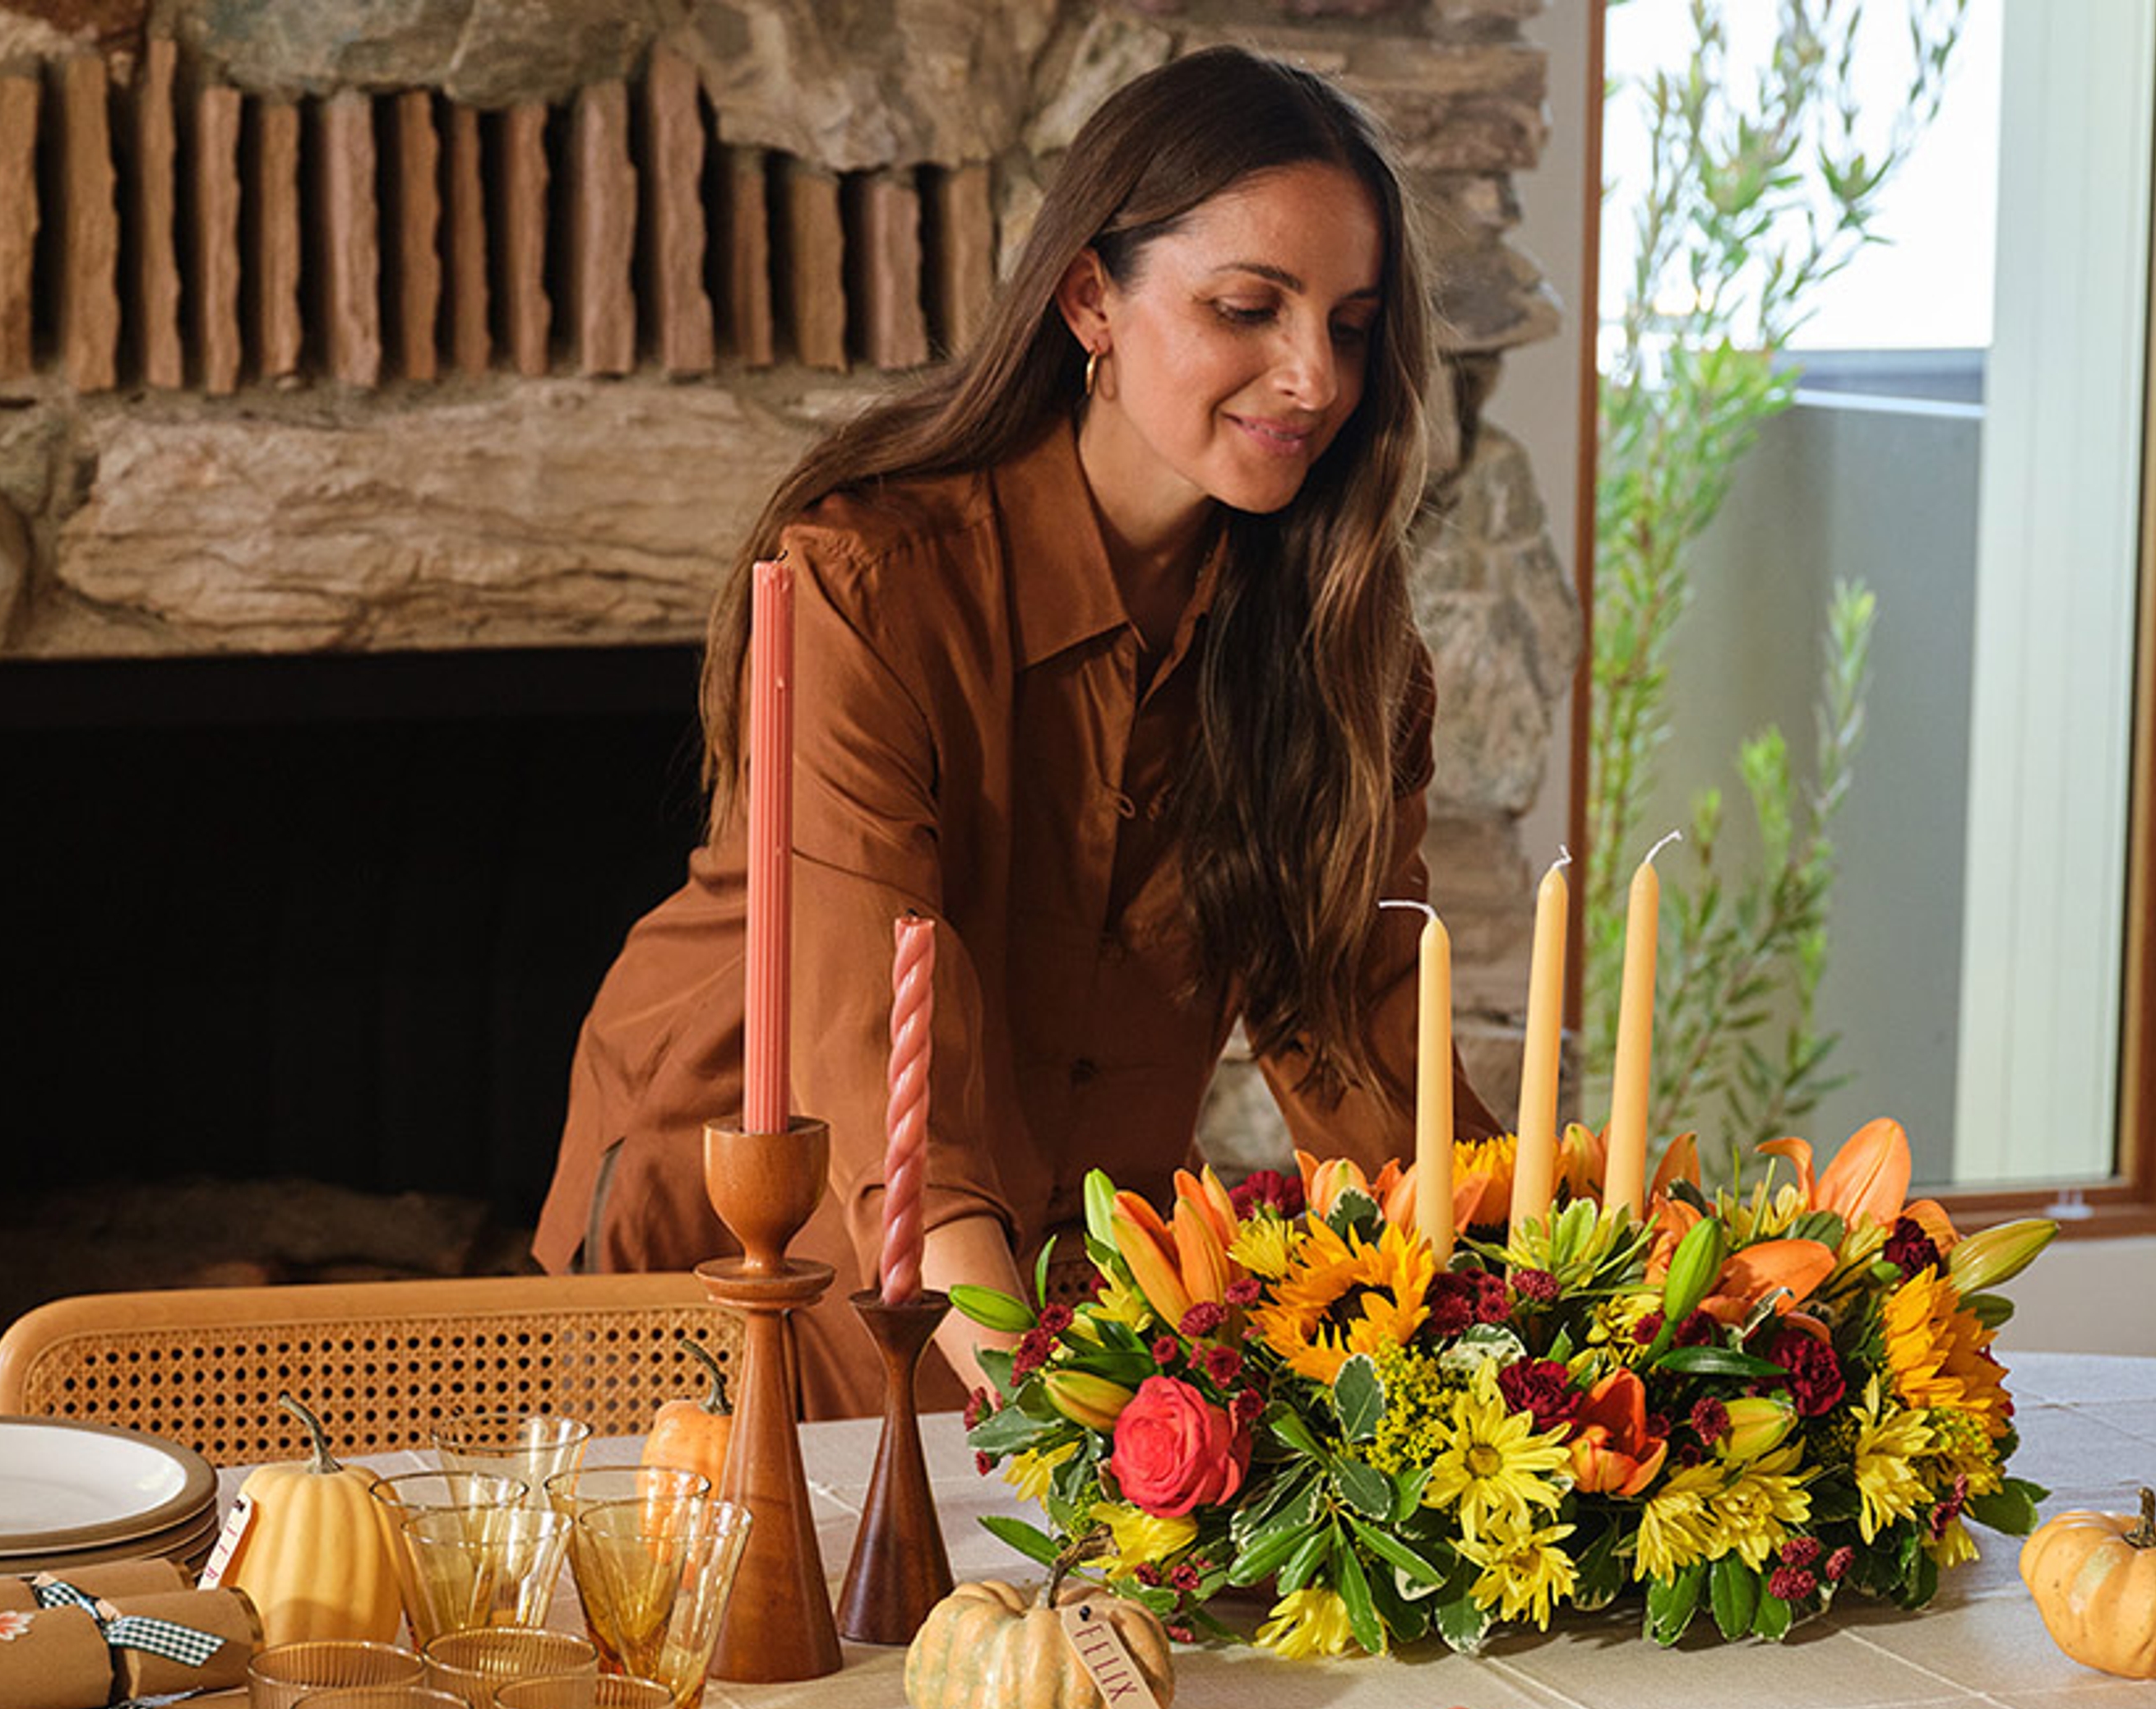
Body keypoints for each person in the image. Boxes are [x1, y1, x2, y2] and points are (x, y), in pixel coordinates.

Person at [535, 47, 1497, 1421]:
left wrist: (1540, 1328)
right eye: (1248, 307)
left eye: (1349, 325)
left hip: (1047, 1282)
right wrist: (1055, 1423)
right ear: (1091, 298)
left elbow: (1358, 1041)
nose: (1312, 378)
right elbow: (871, 1060)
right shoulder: (863, 583)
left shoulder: (1344, 658)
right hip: (741, 1241)